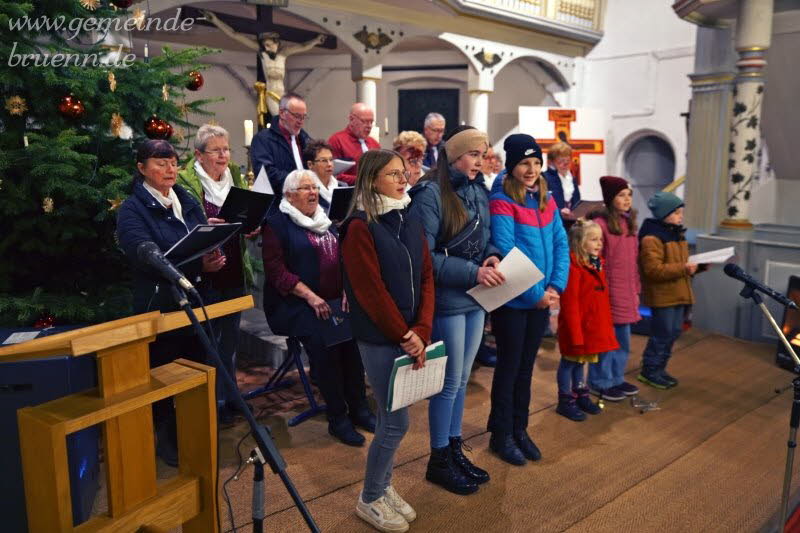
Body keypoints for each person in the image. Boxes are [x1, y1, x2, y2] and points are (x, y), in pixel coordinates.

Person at [340, 149, 435, 533]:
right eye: (394, 173)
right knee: (395, 423)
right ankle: (370, 497)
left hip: (412, 334)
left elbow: (427, 276)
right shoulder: (359, 226)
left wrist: (423, 331)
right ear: (372, 179)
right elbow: (370, 291)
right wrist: (404, 334)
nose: (404, 178)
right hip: (380, 337)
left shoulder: (407, 216)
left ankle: (383, 486)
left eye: (405, 171)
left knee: (392, 420)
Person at [117, 139, 226, 466]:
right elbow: (145, 254)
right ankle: (168, 441)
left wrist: (210, 245)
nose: (169, 169)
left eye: (173, 163)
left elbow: (193, 238)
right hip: (160, 304)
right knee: (166, 374)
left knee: (200, 370)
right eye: (160, 163)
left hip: (195, 298)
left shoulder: (186, 198)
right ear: (141, 168)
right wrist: (195, 264)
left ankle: (197, 434)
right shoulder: (132, 209)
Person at [408, 126, 503, 495]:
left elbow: (486, 238)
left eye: (483, 154)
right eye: (474, 154)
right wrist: (473, 270)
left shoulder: (478, 190)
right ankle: (437, 459)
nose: (480, 161)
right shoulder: (431, 194)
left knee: (462, 379)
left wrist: (491, 255)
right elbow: (424, 257)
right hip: (449, 298)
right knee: (447, 384)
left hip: (477, 295)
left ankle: (453, 445)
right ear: (454, 155)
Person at [261, 169, 375, 446]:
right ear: (289, 195)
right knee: (326, 346)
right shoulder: (277, 224)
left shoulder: (327, 221)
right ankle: (338, 418)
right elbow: (277, 273)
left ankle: (359, 408)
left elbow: (345, 260)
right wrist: (310, 296)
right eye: (304, 188)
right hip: (295, 304)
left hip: (335, 301)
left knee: (352, 344)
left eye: (314, 188)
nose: (313, 192)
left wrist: (348, 289)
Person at [487, 134, 569, 465]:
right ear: (512, 166)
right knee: (508, 368)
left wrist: (555, 288)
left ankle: (520, 429)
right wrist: (536, 295)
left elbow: (561, 243)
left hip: (541, 299)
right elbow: (506, 250)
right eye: (525, 163)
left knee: (526, 369)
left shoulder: (546, 200)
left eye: (536, 163)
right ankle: (501, 435)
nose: (532, 169)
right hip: (514, 302)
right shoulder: (503, 200)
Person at [176, 124, 258, 424]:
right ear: (199, 154)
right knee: (210, 342)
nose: (224, 156)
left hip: (234, 266)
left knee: (230, 341)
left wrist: (251, 224)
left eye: (226, 149)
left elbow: (244, 214)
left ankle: (231, 395)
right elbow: (183, 228)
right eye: (216, 151)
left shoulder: (234, 177)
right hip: (206, 272)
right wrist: (205, 225)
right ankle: (214, 402)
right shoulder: (186, 184)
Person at [637, 191, 705, 389]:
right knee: (662, 333)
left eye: (681, 212)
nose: (680, 216)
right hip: (663, 294)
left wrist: (698, 266)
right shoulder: (652, 238)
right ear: (664, 214)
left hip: (678, 292)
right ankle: (649, 370)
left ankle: (660, 369)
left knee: (674, 331)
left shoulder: (677, 233)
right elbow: (653, 271)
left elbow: (680, 264)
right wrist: (684, 268)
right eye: (676, 213)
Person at [201, 9, 325, 117]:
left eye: (269, 45)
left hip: (283, 95)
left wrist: (316, 41)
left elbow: (303, 46)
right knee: (278, 119)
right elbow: (235, 35)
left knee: (290, 119)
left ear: (277, 43)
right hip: (271, 95)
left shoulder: (284, 54)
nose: (266, 48)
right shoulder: (263, 54)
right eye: (264, 45)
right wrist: (215, 20)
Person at [555, 219, 618, 421]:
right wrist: (575, 335)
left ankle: (580, 394)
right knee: (569, 364)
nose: (599, 243)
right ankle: (565, 400)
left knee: (581, 363)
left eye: (600, 239)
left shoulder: (597, 264)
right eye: (593, 240)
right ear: (580, 243)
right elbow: (570, 304)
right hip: (577, 329)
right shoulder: (574, 269)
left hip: (591, 329)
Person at [586, 176, 642, 402]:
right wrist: (598, 290)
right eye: (621, 195)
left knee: (623, 340)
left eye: (629, 195)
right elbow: (594, 260)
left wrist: (636, 290)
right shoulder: (601, 225)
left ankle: (616, 377)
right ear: (610, 199)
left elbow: (633, 262)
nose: (627, 199)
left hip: (626, 292)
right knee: (605, 341)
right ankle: (599, 382)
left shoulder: (628, 223)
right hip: (607, 293)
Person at [251, 92, 312, 197]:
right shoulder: (263, 139)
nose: (300, 122)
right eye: (297, 116)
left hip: (306, 200)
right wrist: (299, 182)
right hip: (277, 202)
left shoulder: (305, 138)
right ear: (282, 113)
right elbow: (266, 173)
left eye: (303, 117)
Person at [328, 103, 381, 185]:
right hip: (348, 192)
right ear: (351, 119)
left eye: (371, 122)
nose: (369, 126)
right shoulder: (336, 140)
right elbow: (332, 174)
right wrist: (363, 180)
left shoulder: (374, 144)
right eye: (364, 121)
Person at [303, 139, 347, 212]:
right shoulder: (306, 192)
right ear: (310, 164)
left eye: (331, 160)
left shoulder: (342, 186)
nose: (329, 164)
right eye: (323, 160)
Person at [543, 141, 581, 218]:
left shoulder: (572, 178)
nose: (565, 164)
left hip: (572, 221)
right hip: (553, 221)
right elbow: (541, 205)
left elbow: (577, 202)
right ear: (551, 162)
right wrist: (559, 212)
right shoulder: (544, 177)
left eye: (568, 161)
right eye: (561, 161)